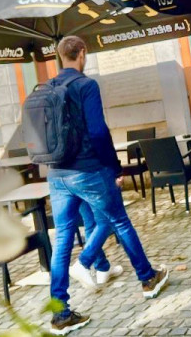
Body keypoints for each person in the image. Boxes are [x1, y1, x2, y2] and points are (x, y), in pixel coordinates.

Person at [46, 35, 169, 334]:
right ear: (82, 54)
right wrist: (114, 166)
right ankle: (146, 277)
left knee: (62, 238)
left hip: (57, 173)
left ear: (61, 56)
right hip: (88, 170)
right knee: (119, 220)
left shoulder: (48, 89)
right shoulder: (87, 86)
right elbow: (99, 132)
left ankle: (60, 313)